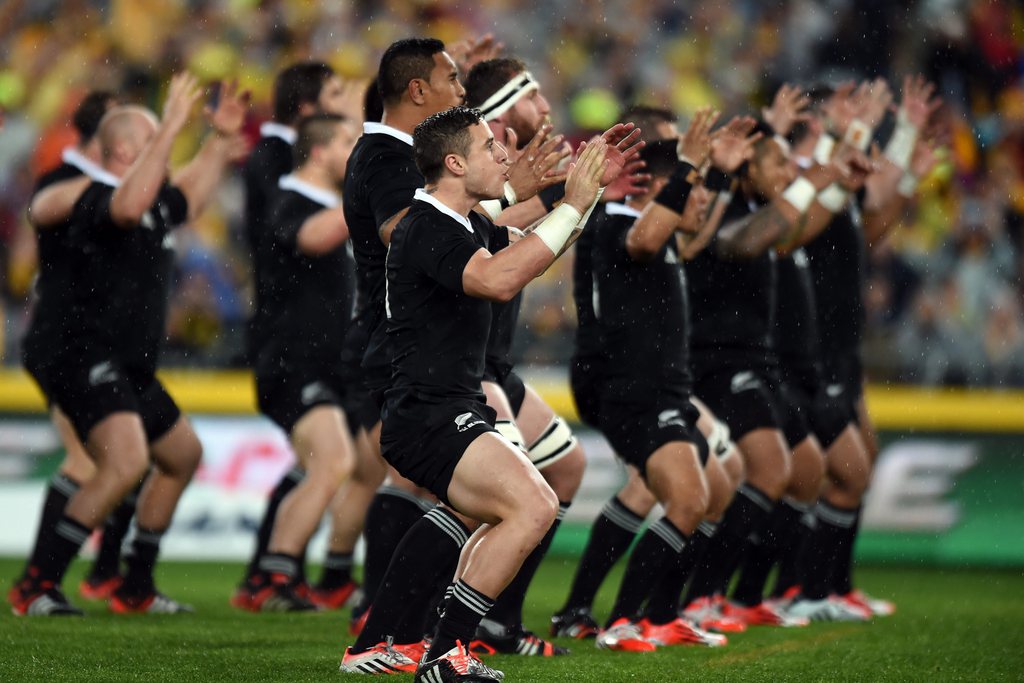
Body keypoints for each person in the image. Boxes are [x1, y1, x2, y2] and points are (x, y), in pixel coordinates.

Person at [377, 105, 607, 682]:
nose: (503, 154)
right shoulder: (427, 223)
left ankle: (432, 648)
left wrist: (588, 194)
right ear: (454, 163)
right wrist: (573, 203)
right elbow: (501, 278)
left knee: (514, 511)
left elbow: (528, 252)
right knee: (533, 506)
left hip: (445, 406)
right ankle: (442, 652)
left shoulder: (461, 221)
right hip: (428, 412)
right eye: (489, 147)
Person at [8, 74, 248, 616]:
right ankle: (37, 585)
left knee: (182, 455)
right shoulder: (82, 191)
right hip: (80, 353)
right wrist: (167, 128)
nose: (164, 153)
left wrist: (216, 143)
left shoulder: (150, 198)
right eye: (151, 145)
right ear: (122, 150)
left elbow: (182, 197)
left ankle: (132, 583)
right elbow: (122, 205)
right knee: (120, 463)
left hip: (127, 362)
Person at [587, 118, 758, 652]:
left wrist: (720, 179)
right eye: (692, 187)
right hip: (638, 394)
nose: (700, 197)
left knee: (709, 496)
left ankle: (660, 615)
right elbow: (645, 238)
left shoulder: (665, 237)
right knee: (687, 501)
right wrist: (689, 166)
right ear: (658, 188)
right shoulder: (620, 226)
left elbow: (689, 235)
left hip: (665, 391)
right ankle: (621, 620)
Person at [237, 61, 371, 608]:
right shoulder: (291, 198)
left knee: (367, 463)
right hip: (293, 360)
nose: (353, 148)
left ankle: (333, 573)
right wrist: (366, 193)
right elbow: (312, 238)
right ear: (319, 152)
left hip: (330, 361)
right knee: (332, 462)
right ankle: (273, 577)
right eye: (346, 141)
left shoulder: (319, 198)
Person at [20, 91, 144, 603]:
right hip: (69, 345)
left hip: (100, 347)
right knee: (93, 462)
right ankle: (40, 582)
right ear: (109, 137)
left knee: (139, 458)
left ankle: (104, 570)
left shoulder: (108, 186)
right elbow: (38, 211)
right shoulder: (66, 184)